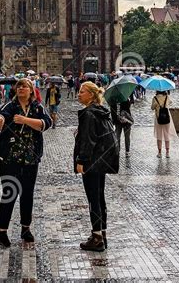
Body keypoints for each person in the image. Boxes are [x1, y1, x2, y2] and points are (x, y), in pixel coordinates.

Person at [0, 78, 52, 247]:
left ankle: (25, 228)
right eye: (19, 86)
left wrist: (25, 120)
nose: (21, 88)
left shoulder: (38, 107)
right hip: (10, 158)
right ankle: (2, 232)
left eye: (24, 86)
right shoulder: (10, 106)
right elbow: (1, 115)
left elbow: (46, 123)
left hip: (30, 158)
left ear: (31, 90)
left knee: (27, 194)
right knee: (9, 193)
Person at [74, 82, 119, 252]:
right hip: (102, 160)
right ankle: (102, 233)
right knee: (99, 197)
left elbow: (89, 140)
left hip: (92, 161)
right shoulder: (101, 110)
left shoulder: (88, 113)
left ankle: (97, 237)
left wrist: (81, 160)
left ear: (91, 95)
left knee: (93, 199)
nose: (79, 94)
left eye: (82, 92)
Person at [151, 90, 176, 158]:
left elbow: (152, 108)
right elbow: (170, 102)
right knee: (166, 135)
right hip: (167, 118)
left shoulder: (155, 98)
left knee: (159, 135)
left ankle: (159, 153)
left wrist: (157, 105)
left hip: (158, 118)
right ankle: (167, 153)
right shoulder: (167, 97)